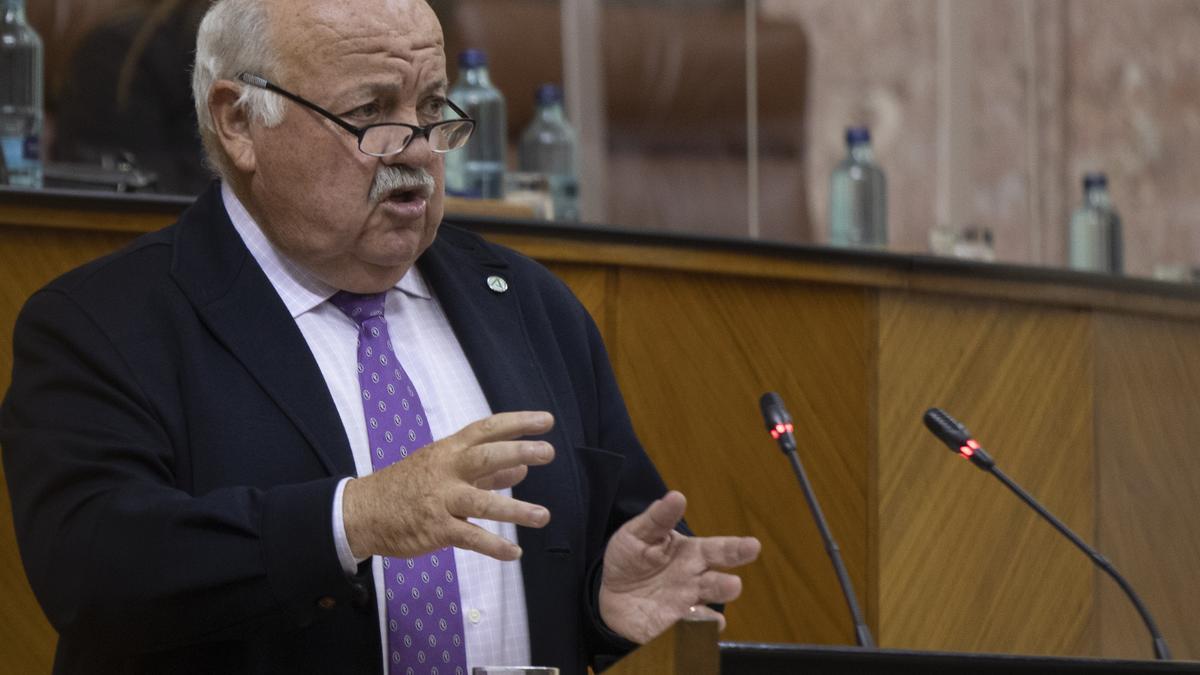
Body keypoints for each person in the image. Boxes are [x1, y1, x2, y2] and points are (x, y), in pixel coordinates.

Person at [0, 0, 760, 673]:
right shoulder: (103, 323)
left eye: (432, 107)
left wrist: (606, 603)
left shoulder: (529, 305)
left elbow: (611, 549)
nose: (419, 149)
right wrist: (353, 518)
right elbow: (95, 572)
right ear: (239, 122)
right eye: (371, 113)